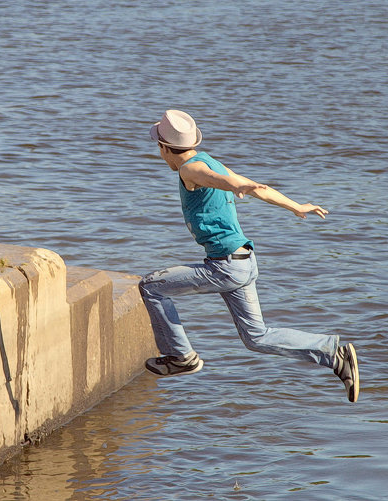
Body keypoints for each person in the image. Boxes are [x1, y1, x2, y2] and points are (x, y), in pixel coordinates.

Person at [137, 110, 359, 403]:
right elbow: (258, 189)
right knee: (257, 337)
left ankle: (180, 357)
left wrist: (236, 186)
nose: (160, 154)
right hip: (243, 262)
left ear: (165, 148)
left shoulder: (190, 169)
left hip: (225, 267)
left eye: (159, 148)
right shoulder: (209, 159)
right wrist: (296, 206)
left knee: (151, 286)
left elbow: (212, 179)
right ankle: (334, 354)